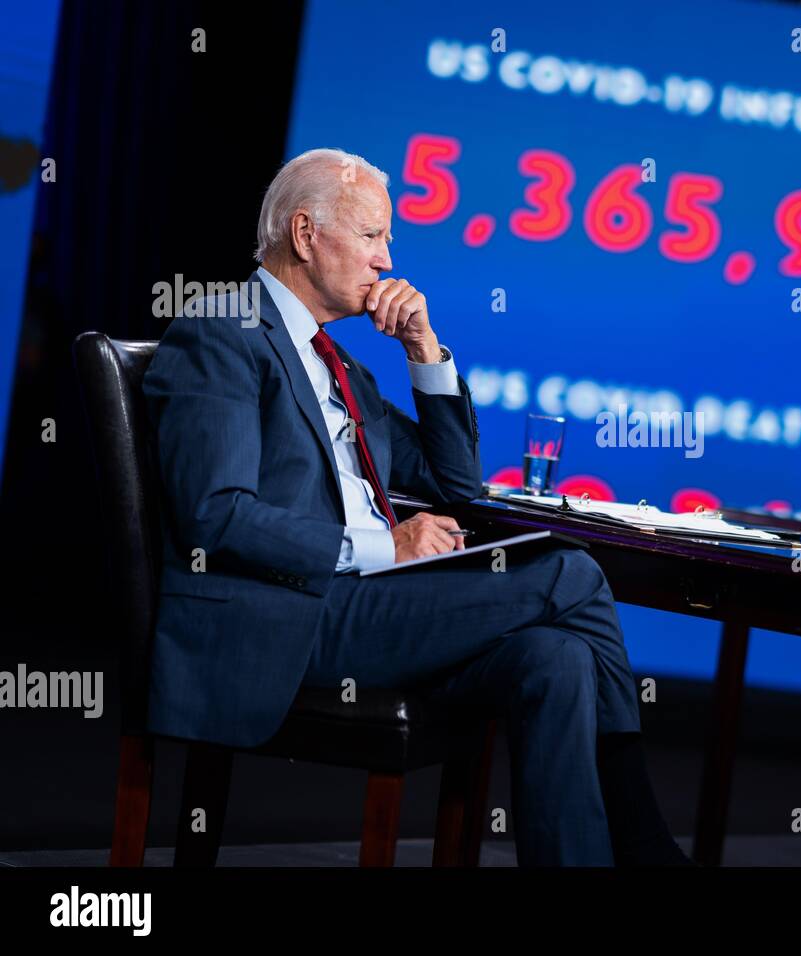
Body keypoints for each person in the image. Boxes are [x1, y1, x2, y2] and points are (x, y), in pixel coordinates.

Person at [142, 147, 691, 866]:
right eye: (372, 235)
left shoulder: (337, 361)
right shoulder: (223, 331)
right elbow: (216, 516)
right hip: (293, 614)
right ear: (306, 235)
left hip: (364, 606)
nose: (387, 259)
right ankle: (642, 832)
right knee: (571, 574)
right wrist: (385, 548)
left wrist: (424, 350)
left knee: (554, 658)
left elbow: (456, 485)